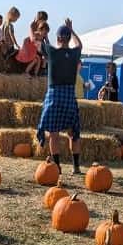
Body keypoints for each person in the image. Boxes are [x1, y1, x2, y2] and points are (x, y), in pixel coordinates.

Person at [37, 19, 83, 174]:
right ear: (69, 38)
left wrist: (37, 30)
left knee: (53, 134)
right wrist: (72, 29)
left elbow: (36, 41)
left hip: (54, 96)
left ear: (57, 39)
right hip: (69, 96)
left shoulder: (52, 52)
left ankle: (57, 166)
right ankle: (76, 167)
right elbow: (79, 45)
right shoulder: (75, 53)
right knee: (73, 133)